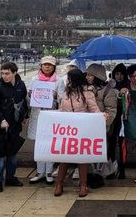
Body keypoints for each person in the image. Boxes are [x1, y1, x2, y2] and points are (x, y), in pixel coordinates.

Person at [54, 69, 101, 197]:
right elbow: (61, 109)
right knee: (64, 158)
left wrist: (101, 116)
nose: (67, 81)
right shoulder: (66, 93)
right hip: (68, 130)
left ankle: (83, 185)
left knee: (82, 159)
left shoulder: (87, 93)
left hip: (82, 130)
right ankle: (59, 184)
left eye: (69, 79)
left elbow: (94, 109)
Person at [0, 62, 29, 193]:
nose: (4, 76)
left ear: (15, 73)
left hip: (15, 125)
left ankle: (11, 177)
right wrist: (1, 119)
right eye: (2, 73)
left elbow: (23, 102)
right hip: (1, 126)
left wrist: (24, 116)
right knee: (0, 155)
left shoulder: (21, 86)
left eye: (7, 74)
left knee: (12, 155)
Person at [27, 56, 59, 185]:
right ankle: (40, 172)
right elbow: (28, 99)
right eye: (45, 65)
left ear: (54, 67)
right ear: (41, 66)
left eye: (50, 65)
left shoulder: (58, 81)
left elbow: (61, 98)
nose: (47, 67)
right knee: (39, 144)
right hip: (38, 115)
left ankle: (49, 172)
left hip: (52, 115)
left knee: (51, 143)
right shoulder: (34, 80)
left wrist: (55, 96)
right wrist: (31, 95)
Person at [86, 63, 118, 181]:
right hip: (87, 127)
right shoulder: (85, 88)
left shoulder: (108, 91)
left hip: (101, 128)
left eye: (90, 75)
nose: (87, 77)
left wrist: (103, 123)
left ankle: (99, 175)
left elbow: (111, 110)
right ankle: (91, 173)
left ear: (97, 76)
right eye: (87, 74)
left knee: (100, 152)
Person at [107, 63, 129, 179]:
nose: (119, 76)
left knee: (122, 144)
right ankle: (111, 169)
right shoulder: (110, 86)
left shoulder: (128, 86)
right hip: (112, 118)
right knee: (111, 143)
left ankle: (122, 169)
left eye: (121, 74)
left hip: (122, 119)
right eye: (117, 74)